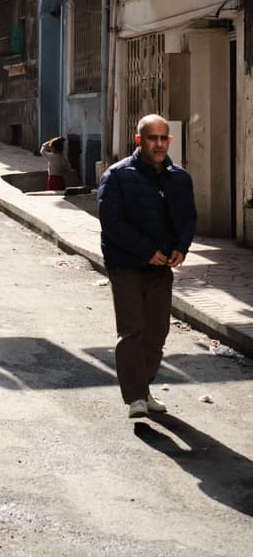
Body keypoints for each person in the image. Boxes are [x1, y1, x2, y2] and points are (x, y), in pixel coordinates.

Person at [97, 114, 197, 420]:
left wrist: (181, 247)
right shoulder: (117, 176)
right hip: (126, 265)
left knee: (157, 334)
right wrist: (146, 251)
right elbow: (111, 223)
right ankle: (136, 397)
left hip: (161, 267)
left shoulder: (179, 178)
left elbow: (188, 218)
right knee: (132, 330)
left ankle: (145, 387)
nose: (158, 144)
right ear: (139, 141)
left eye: (163, 138)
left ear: (169, 141)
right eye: (152, 138)